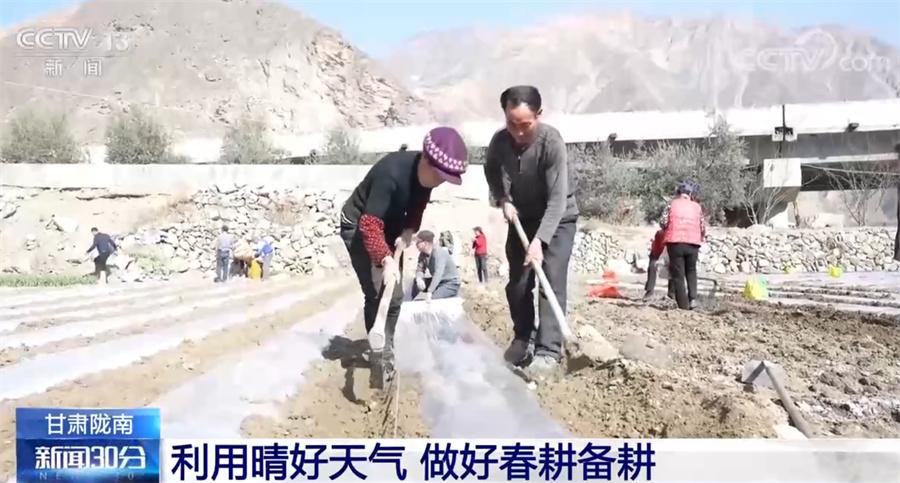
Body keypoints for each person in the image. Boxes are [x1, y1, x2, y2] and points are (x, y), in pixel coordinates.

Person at [338, 126, 468, 345]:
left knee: (395, 296)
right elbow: (369, 225)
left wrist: (409, 230)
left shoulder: (426, 178)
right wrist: (385, 259)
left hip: (389, 225)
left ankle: (387, 344)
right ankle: (379, 350)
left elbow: (418, 206)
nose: (441, 181)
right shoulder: (391, 174)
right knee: (377, 291)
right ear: (425, 159)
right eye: (440, 175)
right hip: (360, 224)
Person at [485, 85, 579, 376]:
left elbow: (557, 200)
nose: (518, 132)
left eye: (525, 125)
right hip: (522, 217)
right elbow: (490, 169)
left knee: (550, 278)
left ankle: (548, 350)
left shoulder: (551, 143)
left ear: (539, 114)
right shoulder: (500, 141)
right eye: (511, 123)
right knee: (519, 283)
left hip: (558, 218)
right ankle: (523, 338)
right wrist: (502, 198)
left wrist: (540, 241)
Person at [660, 181, 706, 310]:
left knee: (678, 274)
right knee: (691, 270)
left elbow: (663, 222)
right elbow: (702, 226)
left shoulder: (671, 204)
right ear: (690, 194)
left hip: (675, 242)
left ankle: (683, 305)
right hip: (693, 243)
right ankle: (693, 299)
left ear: (678, 192)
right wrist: (700, 236)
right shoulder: (697, 207)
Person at [412, 230, 460, 300]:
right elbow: (420, 269)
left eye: (418, 242)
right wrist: (419, 279)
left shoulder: (439, 252)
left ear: (425, 243)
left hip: (450, 283)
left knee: (434, 299)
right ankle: (411, 303)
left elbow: (438, 274)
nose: (416, 244)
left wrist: (430, 291)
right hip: (439, 282)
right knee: (415, 282)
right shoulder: (423, 255)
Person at [643, 228, 675, 301]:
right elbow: (655, 250)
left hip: (671, 256)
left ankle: (672, 294)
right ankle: (649, 291)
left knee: (674, 267)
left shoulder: (675, 235)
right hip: (658, 255)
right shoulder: (660, 233)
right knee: (652, 265)